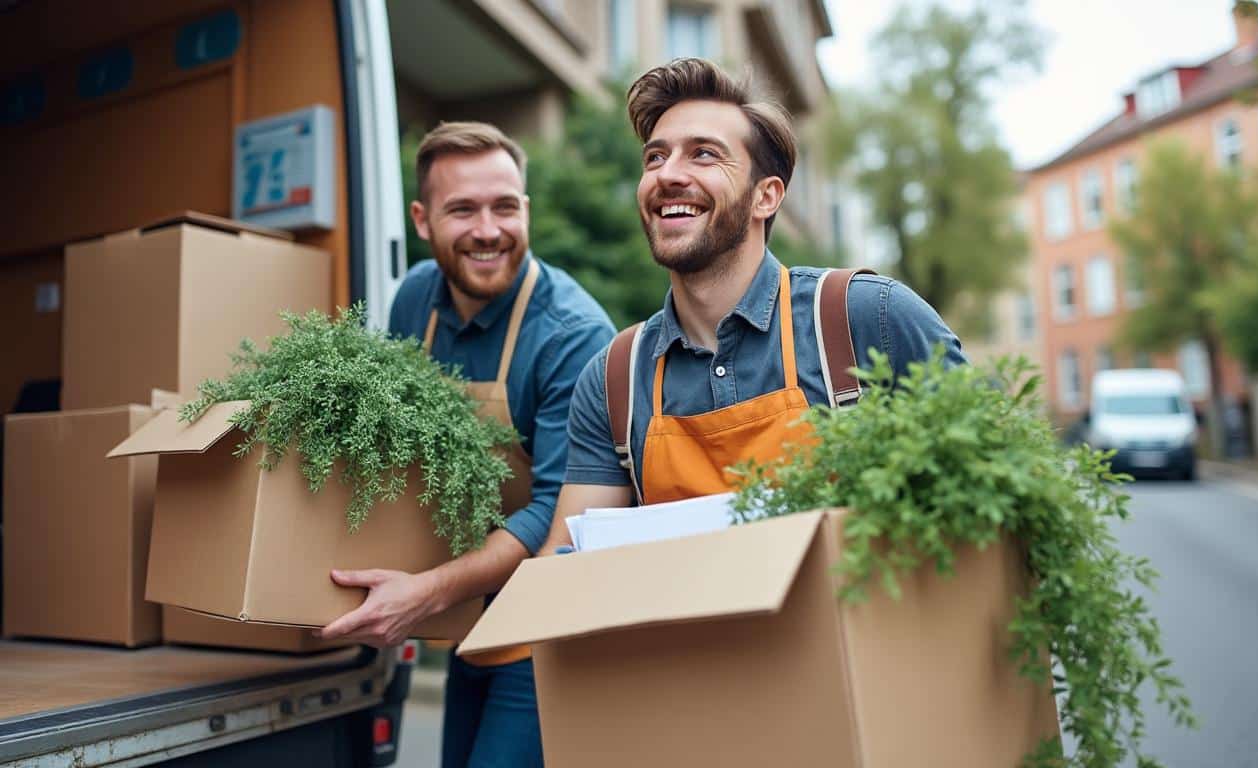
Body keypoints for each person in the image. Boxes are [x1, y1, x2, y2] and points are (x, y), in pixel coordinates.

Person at [541, 58, 966, 541]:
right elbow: (568, 564)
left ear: (766, 196)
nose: (667, 174)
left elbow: (992, 501)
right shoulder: (614, 378)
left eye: (703, 154)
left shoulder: (871, 319)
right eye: (655, 157)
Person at [319, 121, 615, 768]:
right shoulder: (415, 299)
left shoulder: (573, 335)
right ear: (423, 220)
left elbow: (556, 509)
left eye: (505, 206)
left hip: (550, 622)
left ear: (526, 209)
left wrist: (426, 591)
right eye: (463, 209)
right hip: (467, 616)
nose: (488, 229)